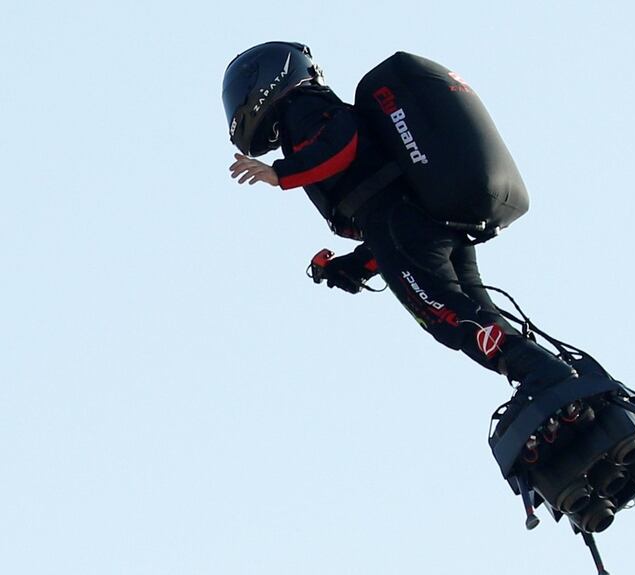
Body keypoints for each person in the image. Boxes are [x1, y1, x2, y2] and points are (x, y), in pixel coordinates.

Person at [223, 42, 575, 420]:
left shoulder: (303, 107)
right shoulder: (307, 110)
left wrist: (283, 174)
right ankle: (563, 384)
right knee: (475, 311)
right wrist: (355, 266)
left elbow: (342, 144)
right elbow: (377, 199)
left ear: (269, 80)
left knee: (443, 314)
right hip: (416, 221)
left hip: (400, 222)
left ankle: (543, 376)